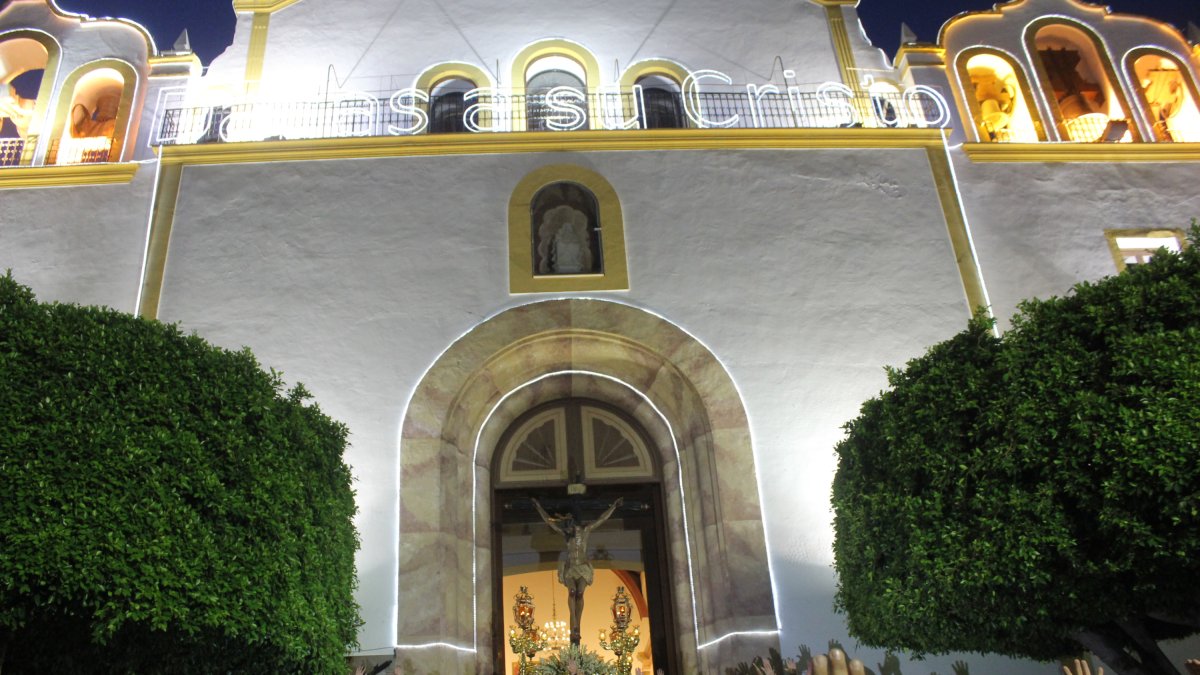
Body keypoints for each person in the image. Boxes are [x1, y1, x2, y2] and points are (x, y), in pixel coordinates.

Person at [532, 496, 623, 644]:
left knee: (579, 593)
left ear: (574, 519)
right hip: (570, 567)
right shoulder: (566, 534)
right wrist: (538, 507)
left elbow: (601, 519)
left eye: (568, 520)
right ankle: (573, 624)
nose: (566, 524)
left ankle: (577, 625)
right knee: (572, 592)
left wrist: (613, 506)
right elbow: (549, 521)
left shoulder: (585, 530)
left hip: (582, 566)